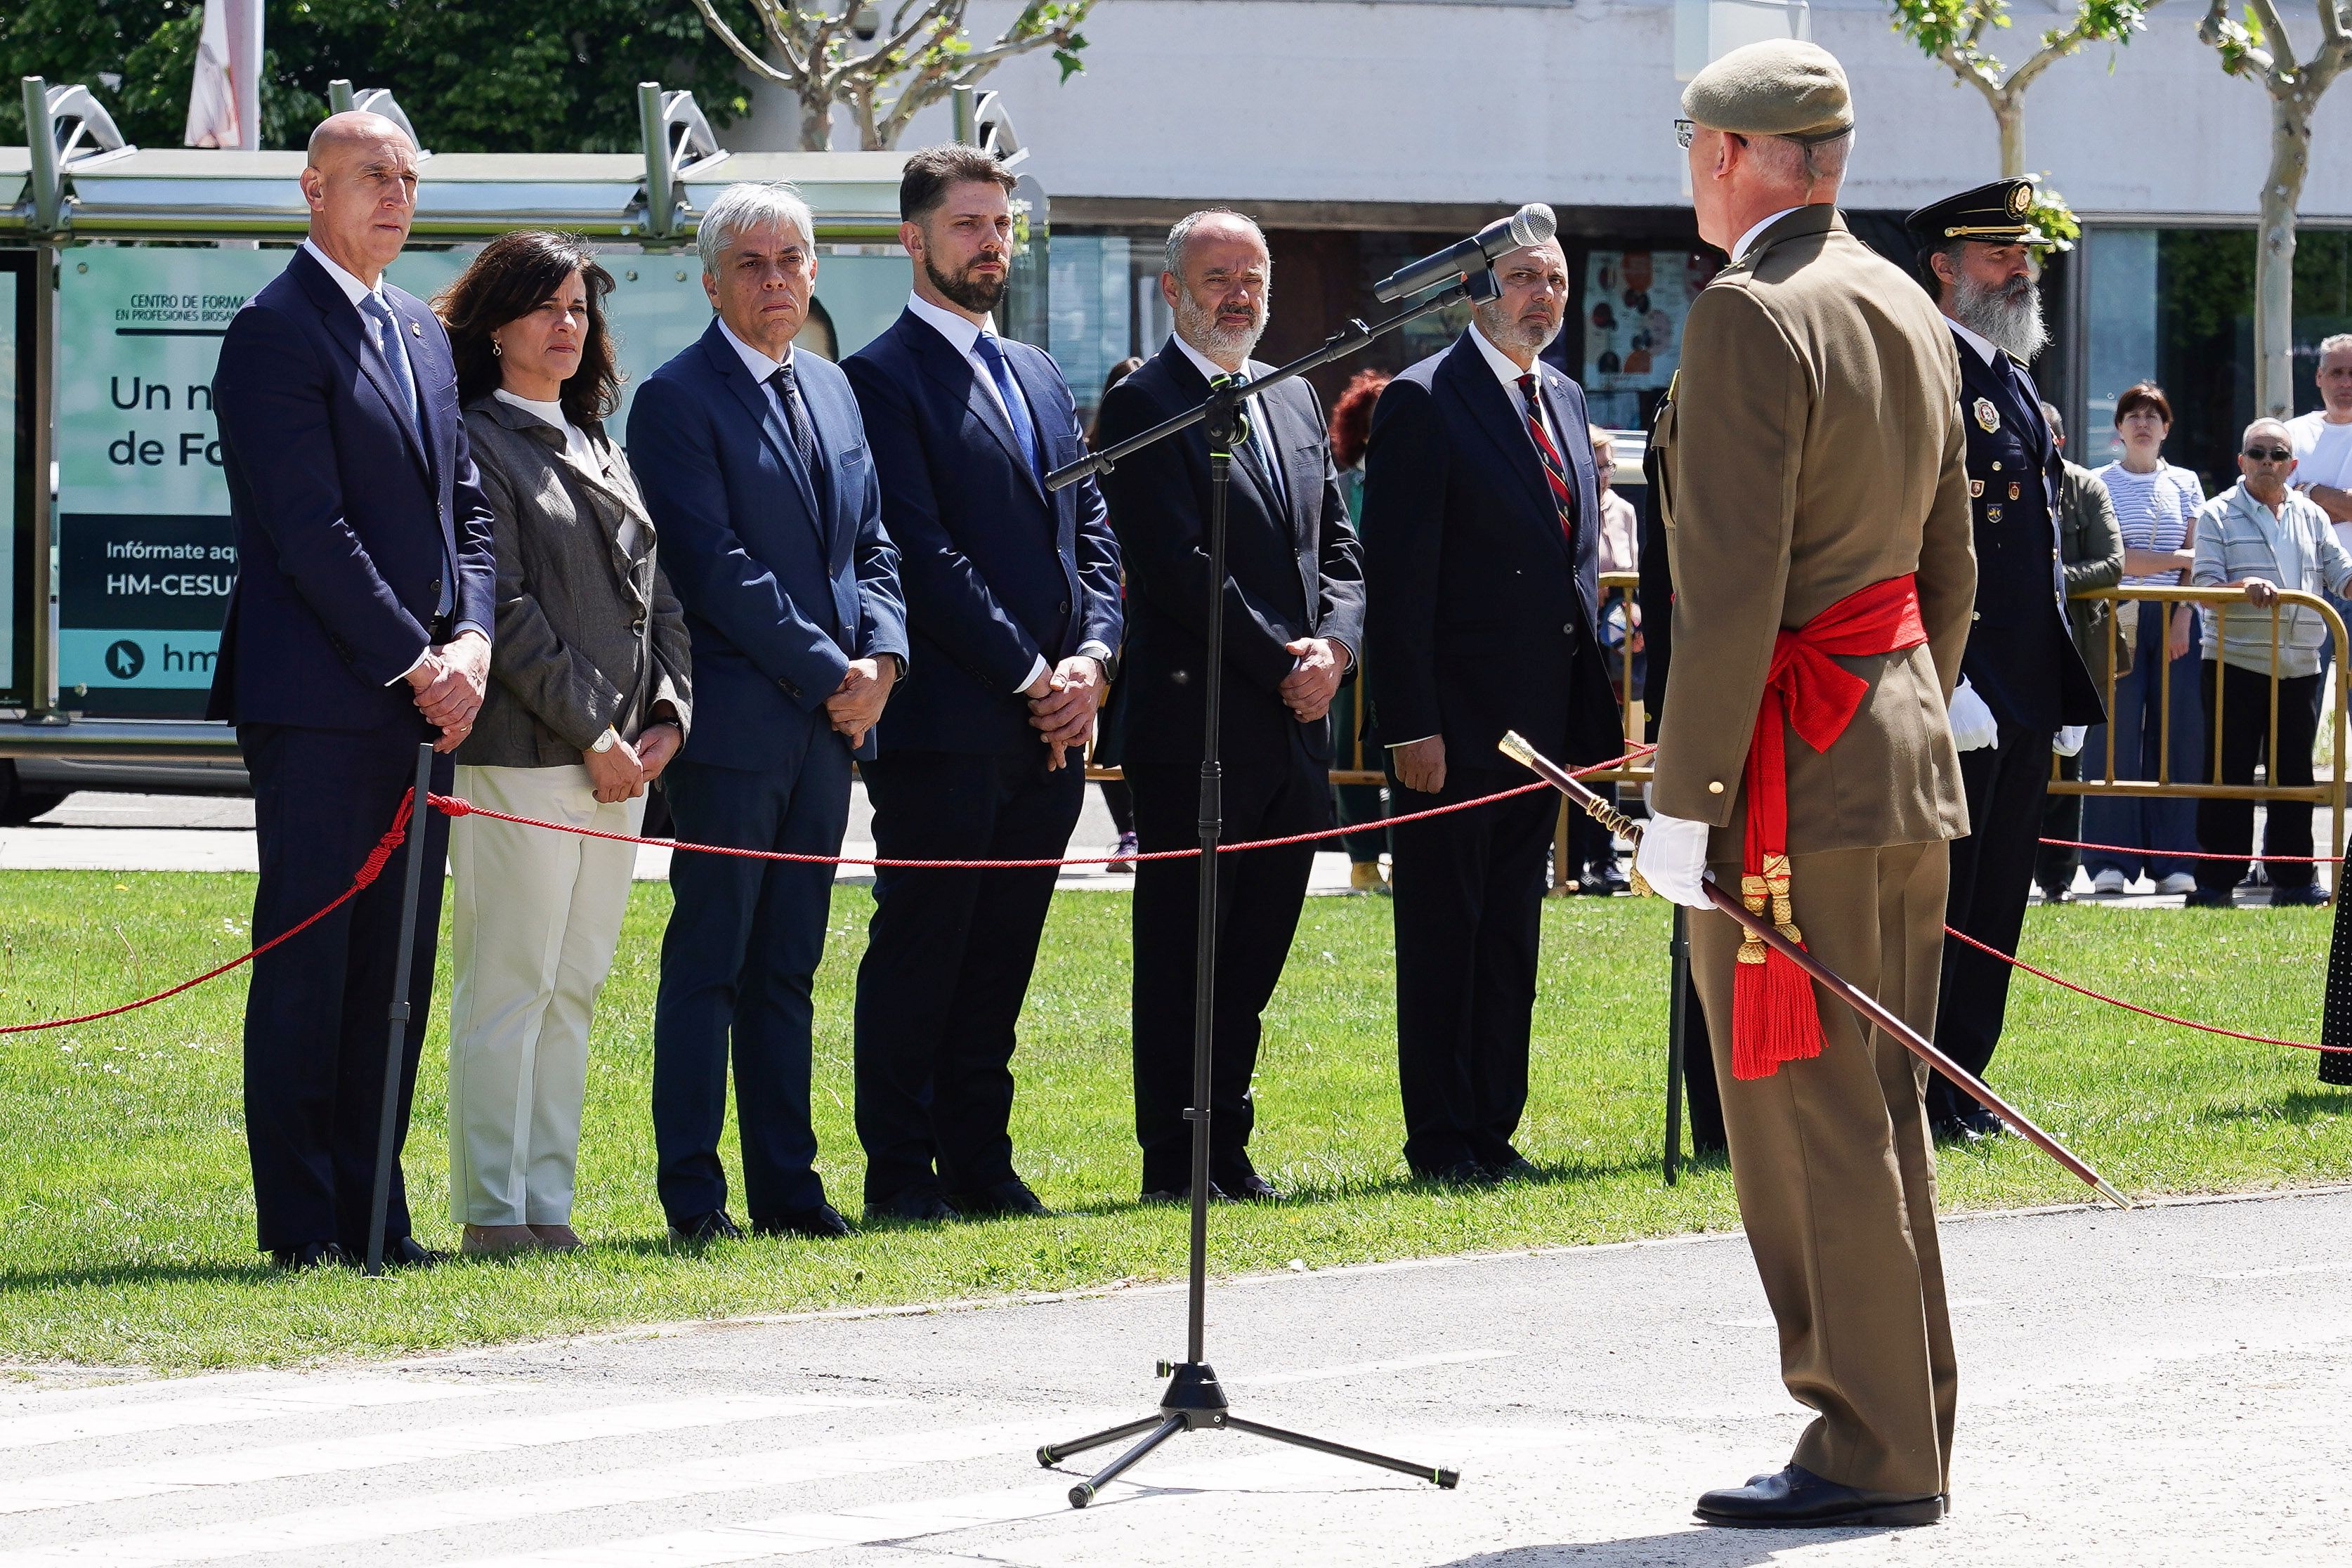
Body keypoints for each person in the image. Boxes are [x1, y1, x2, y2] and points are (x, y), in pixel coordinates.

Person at [1634, 40, 1975, 1528]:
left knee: (1808, 1122)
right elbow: (1948, 574)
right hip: (1894, 757)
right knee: (1879, 1112)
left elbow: (1727, 595)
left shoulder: (1750, 316)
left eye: (1692, 150)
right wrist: (1879, 703)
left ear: (1732, 159)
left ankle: (1865, 1448)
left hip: (1789, 787)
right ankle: (1907, 1430)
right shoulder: (1902, 299)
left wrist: (1685, 802)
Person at [209, 112, 496, 1272]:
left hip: (426, 701)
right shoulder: (275, 332)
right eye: (371, 176)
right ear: (311, 191)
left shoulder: (421, 336)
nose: (395, 194)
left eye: (408, 178)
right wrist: (415, 660)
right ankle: (306, 1225)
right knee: (314, 964)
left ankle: (379, 1213)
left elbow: (465, 510)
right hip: (327, 699)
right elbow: (309, 531)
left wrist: (471, 640)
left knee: (395, 972)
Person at [842, 145, 1121, 1222]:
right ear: (914, 241)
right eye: (966, 226)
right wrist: (1028, 672)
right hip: (952, 726)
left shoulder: (1041, 374)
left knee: (1002, 957)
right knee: (926, 950)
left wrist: (1092, 660)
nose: (989, 244)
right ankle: (900, 1173)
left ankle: (980, 1163)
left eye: (999, 225)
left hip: (1054, 732)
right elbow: (918, 547)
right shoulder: (880, 378)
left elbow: (1088, 530)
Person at [627, 182, 908, 1244]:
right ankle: (695, 1200)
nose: (777, 279)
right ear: (710, 281)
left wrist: (882, 658)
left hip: (830, 735)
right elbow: (714, 567)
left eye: (792, 259)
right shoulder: (676, 399)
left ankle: (790, 1192)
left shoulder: (835, 391)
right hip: (740, 730)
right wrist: (832, 665)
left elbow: (873, 545)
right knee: (713, 962)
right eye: (753, 263)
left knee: (790, 963)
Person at [1095, 209, 1364, 1203]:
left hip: (1294, 725)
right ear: (1171, 290)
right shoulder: (1145, 404)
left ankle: (1230, 1144)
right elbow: (1174, 566)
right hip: (1197, 725)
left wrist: (1334, 645)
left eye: (1253, 279)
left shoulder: (1292, 397)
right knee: (1184, 956)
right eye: (1216, 279)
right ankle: (1176, 1158)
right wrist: (1279, 655)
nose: (1239, 297)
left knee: (1255, 953)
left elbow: (1338, 547)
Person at [436, 232, 693, 1255]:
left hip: (624, 767)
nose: (567, 325)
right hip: (526, 757)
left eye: (580, 308)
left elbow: (658, 600)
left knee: (575, 984)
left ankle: (549, 1210)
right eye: (546, 307)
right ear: (496, 324)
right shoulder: (475, 439)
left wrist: (668, 714)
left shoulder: (600, 442)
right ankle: (492, 1215)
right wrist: (596, 731)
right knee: (511, 982)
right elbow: (504, 610)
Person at [1361, 237, 1620, 1184]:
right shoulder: (1424, 400)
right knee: (1444, 935)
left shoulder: (1563, 397)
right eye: (1522, 279)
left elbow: (1574, 564)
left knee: (1512, 932)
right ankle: (1441, 1135)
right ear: (1478, 291)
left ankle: (1494, 1128)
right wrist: (1410, 725)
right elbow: (1398, 585)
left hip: (1540, 728)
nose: (1541, 295)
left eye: (1555, 279)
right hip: (1453, 730)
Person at [1907, 178, 2103, 1142]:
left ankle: (1967, 1082)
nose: (2020, 270)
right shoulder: (1928, 370)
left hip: (2024, 687)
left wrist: (2062, 678)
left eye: (2024, 254)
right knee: (1948, 898)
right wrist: (1948, 681)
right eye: (1998, 255)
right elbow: (1911, 539)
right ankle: (1927, 1084)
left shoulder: (2013, 375)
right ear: (1944, 268)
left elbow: (2043, 546)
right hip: (1967, 689)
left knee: (1999, 902)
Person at [2188, 418, 2352, 908]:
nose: (2267, 462)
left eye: (2277, 455)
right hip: (2234, 661)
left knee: (2293, 777)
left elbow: (2339, 572)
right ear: (2241, 461)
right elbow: (2202, 586)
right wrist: (2243, 587)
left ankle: (2294, 879)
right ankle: (2216, 883)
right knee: (2228, 774)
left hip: (2301, 664)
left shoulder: (2311, 515)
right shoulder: (2216, 513)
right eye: (2257, 453)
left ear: (2292, 465)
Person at [2081, 382, 2204, 897]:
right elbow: (2120, 560)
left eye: (2154, 415)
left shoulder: (2187, 482)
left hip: (2176, 616)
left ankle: (2173, 859)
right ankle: (2110, 860)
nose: (2143, 422)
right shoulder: (2098, 483)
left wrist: (2181, 613)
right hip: (2118, 614)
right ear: (2119, 427)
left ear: (2167, 428)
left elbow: (2199, 558)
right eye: (2133, 414)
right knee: (2113, 737)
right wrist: (2177, 561)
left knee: (2177, 736)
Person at [2031, 401, 2125, 903]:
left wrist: (2048, 582)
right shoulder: (1996, 478)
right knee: (2006, 766)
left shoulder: (2086, 489)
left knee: (2065, 770)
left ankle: (2057, 879)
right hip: (2007, 649)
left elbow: (2113, 562)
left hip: (2073, 648)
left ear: (2061, 440)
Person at [1565, 421, 1642, 896]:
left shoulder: (1625, 511)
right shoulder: (1565, 504)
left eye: (1610, 466)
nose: (1605, 476)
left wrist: (1632, 617)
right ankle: (1570, 857)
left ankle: (1606, 856)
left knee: (1608, 750)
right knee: (1568, 753)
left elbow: (1631, 573)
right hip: (1573, 637)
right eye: (1596, 467)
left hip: (1614, 648)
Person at [1328, 368, 1392, 894]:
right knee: (1352, 745)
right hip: (1354, 637)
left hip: (1404, 634)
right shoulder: (1343, 483)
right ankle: (1363, 857)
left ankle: (1402, 851)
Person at [1090, 357, 1146, 871]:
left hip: (1151, 615)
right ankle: (1127, 830)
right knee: (1112, 722)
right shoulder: (1091, 460)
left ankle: (1143, 827)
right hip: (1109, 617)